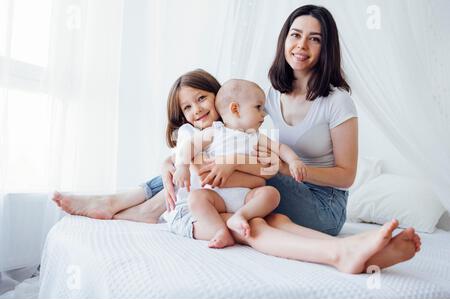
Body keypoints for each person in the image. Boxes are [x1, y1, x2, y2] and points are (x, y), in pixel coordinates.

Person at [54, 5, 422, 273]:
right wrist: (173, 162)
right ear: (284, 40)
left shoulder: (337, 101)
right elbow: (229, 141)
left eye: (314, 39)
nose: (302, 45)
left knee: (251, 172)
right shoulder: (266, 97)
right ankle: (349, 253)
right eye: (295, 35)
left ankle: (132, 204)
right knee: (257, 217)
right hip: (272, 193)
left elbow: (345, 176)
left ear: (326, 48)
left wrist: (287, 166)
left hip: (322, 205)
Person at [170, 79, 305, 248]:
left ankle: (240, 216)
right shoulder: (216, 132)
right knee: (195, 198)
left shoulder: (256, 136)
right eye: (258, 107)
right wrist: (182, 167)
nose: (264, 114)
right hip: (217, 196)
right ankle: (220, 230)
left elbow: (280, 148)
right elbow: (189, 145)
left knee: (271, 194)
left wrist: (294, 160)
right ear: (235, 108)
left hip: (246, 197)